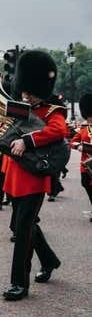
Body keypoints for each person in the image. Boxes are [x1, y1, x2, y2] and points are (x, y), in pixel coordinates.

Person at [1, 51, 64, 301]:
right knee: (20, 225)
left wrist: (28, 140)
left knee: (23, 229)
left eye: (29, 92)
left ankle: (19, 284)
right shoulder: (22, 107)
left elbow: (58, 131)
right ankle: (49, 260)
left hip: (34, 178)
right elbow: (8, 130)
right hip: (15, 176)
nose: (25, 95)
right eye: (24, 91)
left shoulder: (52, 110)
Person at [70, 93, 91, 221]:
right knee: (86, 184)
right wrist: (78, 146)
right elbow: (72, 141)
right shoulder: (83, 127)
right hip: (86, 165)